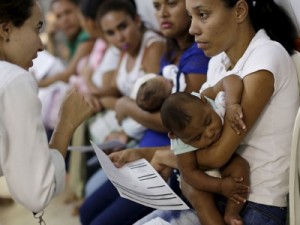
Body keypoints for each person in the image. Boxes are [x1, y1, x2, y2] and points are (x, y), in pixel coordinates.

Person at [110, 0, 300, 224]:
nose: (192, 29)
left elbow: (217, 155)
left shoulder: (266, 57)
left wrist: (156, 155)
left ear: (239, 11)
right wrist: (149, 153)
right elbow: (200, 140)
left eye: (203, 15)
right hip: (217, 194)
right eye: (191, 17)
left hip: (255, 205)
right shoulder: (218, 62)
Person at [79, 0, 210, 224]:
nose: (163, 14)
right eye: (157, 6)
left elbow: (178, 123)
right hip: (140, 152)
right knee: (86, 211)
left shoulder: (196, 54)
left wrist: (125, 106)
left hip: (163, 165)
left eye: (171, 4)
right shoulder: (170, 51)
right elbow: (147, 102)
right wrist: (126, 134)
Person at [0, 0, 95, 217]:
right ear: (6, 30)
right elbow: (37, 194)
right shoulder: (14, 80)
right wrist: (67, 122)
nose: (40, 45)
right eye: (36, 29)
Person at [160, 87, 249, 225]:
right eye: (197, 137)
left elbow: (231, 80)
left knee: (240, 166)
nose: (209, 134)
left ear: (204, 101)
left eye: (208, 122)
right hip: (202, 176)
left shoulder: (204, 98)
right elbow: (189, 174)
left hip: (225, 162)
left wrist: (232, 104)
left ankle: (232, 213)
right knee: (201, 200)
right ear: (175, 136)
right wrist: (220, 186)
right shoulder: (181, 140)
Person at [37, 0, 95, 88]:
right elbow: (55, 64)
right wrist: (51, 37)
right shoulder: (73, 39)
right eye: (59, 16)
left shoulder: (87, 36)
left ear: (79, 11)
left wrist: (38, 84)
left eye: (68, 12)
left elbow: (68, 74)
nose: (65, 20)